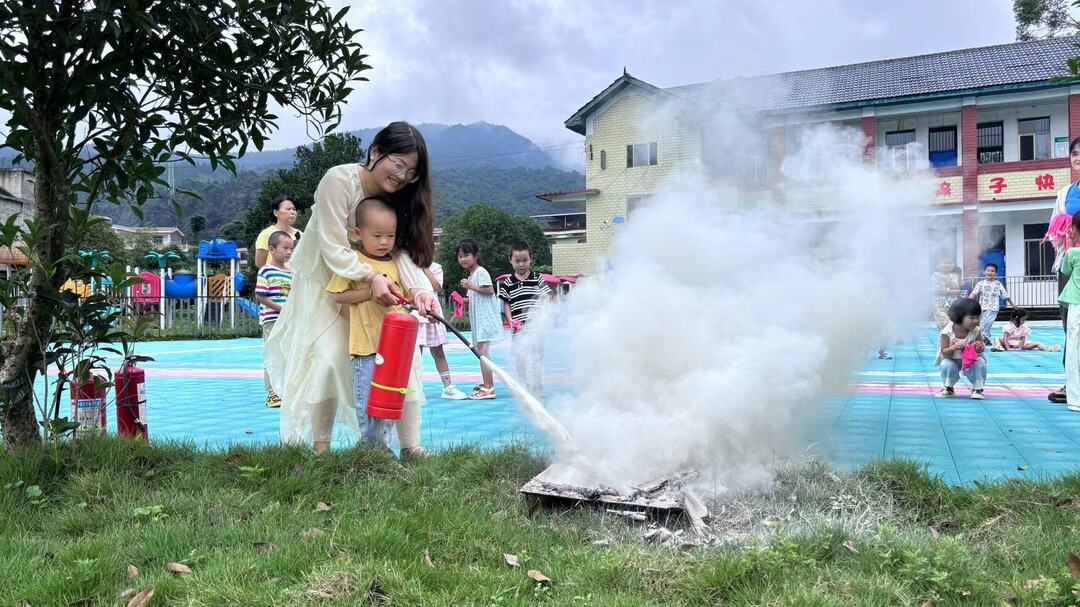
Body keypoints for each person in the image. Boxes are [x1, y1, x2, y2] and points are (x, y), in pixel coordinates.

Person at [264, 122, 439, 454]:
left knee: (400, 360)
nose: (402, 177)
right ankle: (321, 449)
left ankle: (411, 446)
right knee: (328, 358)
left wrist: (420, 291)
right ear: (375, 152)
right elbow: (332, 247)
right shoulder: (339, 180)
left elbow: (402, 253)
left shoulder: (398, 198)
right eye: (398, 164)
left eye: (411, 172)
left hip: (381, 293)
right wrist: (371, 278)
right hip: (328, 286)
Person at [326, 197, 416, 451]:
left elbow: (406, 299)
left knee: (388, 404)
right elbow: (336, 295)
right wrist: (369, 292)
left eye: (390, 235)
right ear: (358, 233)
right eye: (377, 235)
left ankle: (380, 453)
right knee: (369, 404)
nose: (384, 242)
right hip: (365, 348)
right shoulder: (353, 263)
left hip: (394, 352)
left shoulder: (396, 262)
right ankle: (373, 454)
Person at [1044, 136, 1080, 403]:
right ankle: (1072, 381)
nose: (1078, 158)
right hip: (1071, 265)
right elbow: (1055, 233)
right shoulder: (1065, 193)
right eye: (1075, 153)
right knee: (1071, 325)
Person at [497, 241, 551, 396]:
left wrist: (543, 315)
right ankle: (522, 384)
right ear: (510, 260)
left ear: (530, 259)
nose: (521, 264)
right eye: (517, 261)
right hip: (518, 328)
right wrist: (510, 320)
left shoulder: (537, 278)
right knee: (520, 356)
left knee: (537, 356)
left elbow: (545, 298)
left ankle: (537, 385)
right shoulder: (508, 283)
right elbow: (506, 304)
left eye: (524, 260)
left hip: (535, 327)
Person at [457, 238, 502, 400]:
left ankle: (489, 387)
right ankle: (487, 384)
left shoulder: (480, 272)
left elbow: (489, 290)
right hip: (479, 320)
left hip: (485, 319)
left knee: (483, 354)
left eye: (466, 255)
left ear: (476, 256)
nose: (463, 259)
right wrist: (463, 300)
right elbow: (476, 295)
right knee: (481, 353)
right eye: (460, 256)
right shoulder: (472, 274)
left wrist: (470, 286)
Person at [417, 261, 468, 400]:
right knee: (415, 354)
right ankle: (415, 388)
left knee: (438, 351)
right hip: (415, 313)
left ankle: (447, 386)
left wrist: (424, 267)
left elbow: (437, 287)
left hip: (432, 313)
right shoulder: (407, 266)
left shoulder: (436, 267)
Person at [254, 231, 294, 408]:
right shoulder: (266, 271)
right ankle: (272, 393)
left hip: (288, 322)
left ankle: (285, 391)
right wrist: (281, 309)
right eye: (285, 248)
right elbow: (260, 295)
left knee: (287, 356)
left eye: (291, 248)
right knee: (272, 356)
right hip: (272, 321)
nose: (288, 252)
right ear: (271, 249)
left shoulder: (292, 272)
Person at [937, 298, 987, 400]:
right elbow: (943, 351)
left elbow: (981, 348)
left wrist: (980, 347)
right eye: (972, 318)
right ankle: (948, 387)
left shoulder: (976, 330)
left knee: (980, 362)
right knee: (946, 364)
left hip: (971, 359)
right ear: (958, 317)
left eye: (978, 317)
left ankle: (978, 389)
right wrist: (953, 348)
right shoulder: (947, 332)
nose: (976, 321)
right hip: (952, 359)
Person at [1059, 212, 1080, 412]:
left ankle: (1076, 399)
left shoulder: (1072, 253)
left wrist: (1068, 242)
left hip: (1077, 304)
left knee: (1075, 351)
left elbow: (1065, 271)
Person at [969, 262, 1014, 343]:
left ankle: (984, 339)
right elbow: (973, 293)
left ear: (996, 273)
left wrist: (1013, 305)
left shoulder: (998, 284)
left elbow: (1005, 295)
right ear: (984, 272)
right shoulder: (980, 283)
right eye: (988, 270)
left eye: (992, 271)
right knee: (979, 324)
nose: (990, 272)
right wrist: (967, 302)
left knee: (985, 324)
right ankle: (983, 338)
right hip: (981, 308)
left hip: (992, 309)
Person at [255, 196, 303, 268]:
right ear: (276, 212)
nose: (293, 212)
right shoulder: (266, 234)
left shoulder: (301, 235)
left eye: (294, 209)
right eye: (288, 209)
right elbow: (260, 263)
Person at [991, 308, 1058, 352]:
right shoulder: (1009, 326)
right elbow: (1005, 338)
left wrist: (1020, 347)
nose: (1024, 321)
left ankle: (1046, 348)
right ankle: (998, 346)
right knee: (996, 338)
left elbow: (1023, 339)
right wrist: (1008, 347)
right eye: (1023, 319)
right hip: (1008, 343)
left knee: (1036, 343)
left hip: (1019, 344)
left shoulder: (1024, 327)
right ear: (1016, 318)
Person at [930, 258, 961, 330]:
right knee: (944, 326)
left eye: (950, 263)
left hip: (953, 306)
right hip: (940, 305)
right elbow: (935, 289)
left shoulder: (955, 275)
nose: (947, 265)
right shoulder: (935, 275)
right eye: (945, 263)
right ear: (938, 265)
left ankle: (951, 341)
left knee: (954, 326)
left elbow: (956, 288)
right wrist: (951, 292)